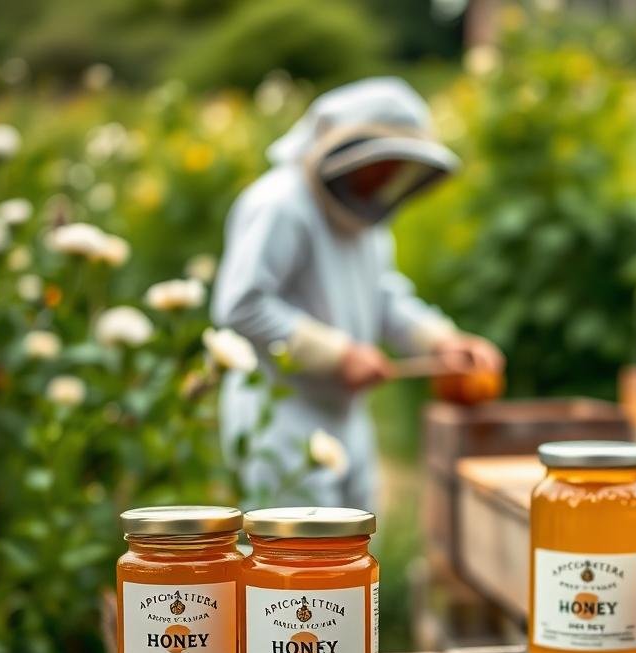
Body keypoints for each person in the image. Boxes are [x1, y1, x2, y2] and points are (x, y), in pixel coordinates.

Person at [212, 77, 503, 512]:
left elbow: (383, 298)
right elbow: (241, 305)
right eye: (384, 161)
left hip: (345, 415)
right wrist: (337, 354)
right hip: (280, 416)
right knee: (298, 564)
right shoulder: (280, 204)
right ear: (346, 150)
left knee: (354, 554)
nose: (389, 175)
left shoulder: (367, 223)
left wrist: (443, 342)